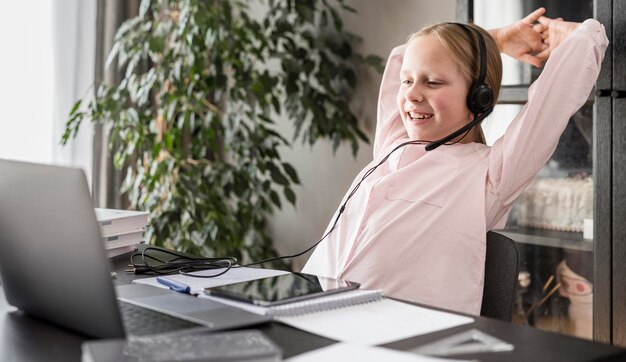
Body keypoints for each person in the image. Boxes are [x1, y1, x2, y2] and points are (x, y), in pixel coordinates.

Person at [302, 8, 608, 315]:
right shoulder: (393, 144)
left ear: (480, 98)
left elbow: (552, 102)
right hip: (315, 313)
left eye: (433, 82)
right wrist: (495, 40)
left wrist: (579, 37)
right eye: (407, 82)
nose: (412, 94)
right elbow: (402, 56)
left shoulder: (490, 175)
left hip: (405, 338)